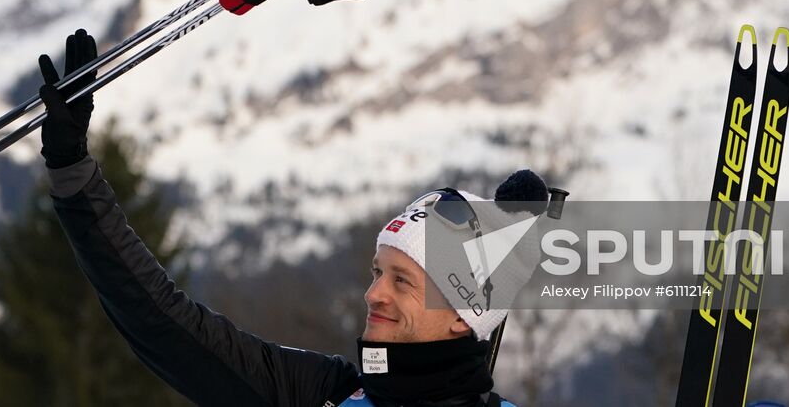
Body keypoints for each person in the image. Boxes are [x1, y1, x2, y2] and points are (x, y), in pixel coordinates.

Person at [37, 28, 534, 406]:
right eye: (378, 272)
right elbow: (168, 327)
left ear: (458, 318)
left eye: (402, 281)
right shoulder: (327, 393)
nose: (373, 292)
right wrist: (72, 169)